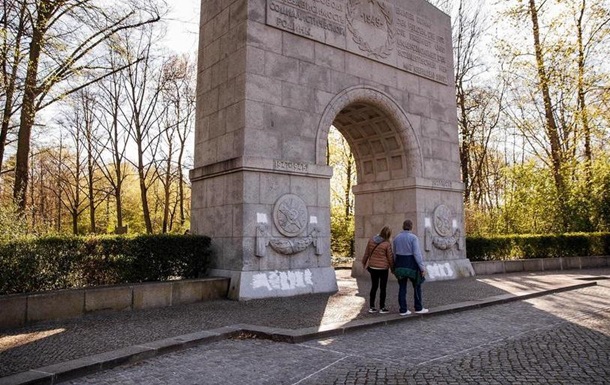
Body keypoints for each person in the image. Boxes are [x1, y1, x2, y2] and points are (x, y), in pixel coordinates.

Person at [392, 219, 428, 316]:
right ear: (411, 227)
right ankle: (418, 307)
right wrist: (422, 268)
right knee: (417, 286)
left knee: (402, 287)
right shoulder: (413, 238)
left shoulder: (396, 238)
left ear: (403, 226)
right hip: (411, 265)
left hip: (400, 265)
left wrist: (394, 266)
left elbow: (394, 254)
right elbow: (417, 254)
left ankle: (403, 309)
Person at [362, 226, 394, 314]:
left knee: (374, 287)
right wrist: (392, 268)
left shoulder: (371, 240)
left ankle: (372, 307)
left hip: (373, 267)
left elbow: (367, 253)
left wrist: (364, 263)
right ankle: (382, 307)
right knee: (383, 288)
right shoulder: (387, 244)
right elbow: (390, 257)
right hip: (383, 268)